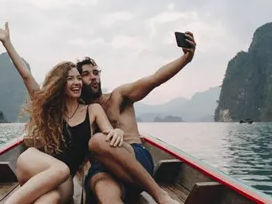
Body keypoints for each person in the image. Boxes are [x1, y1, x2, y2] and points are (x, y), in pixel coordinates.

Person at [0, 22, 181, 204]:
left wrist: (118, 132)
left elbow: (107, 135)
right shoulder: (51, 109)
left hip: (63, 180)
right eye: (71, 79)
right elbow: (26, 76)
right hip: (34, 164)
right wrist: (7, 43)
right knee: (58, 168)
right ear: (61, 84)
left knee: (51, 197)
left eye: (79, 78)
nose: (77, 82)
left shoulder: (93, 110)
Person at [79, 31, 196, 204]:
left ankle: (161, 196)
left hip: (135, 158)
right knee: (102, 189)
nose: (93, 77)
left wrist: (186, 59)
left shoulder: (119, 96)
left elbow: (154, 79)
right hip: (104, 168)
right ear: (78, 80)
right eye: (87, 74)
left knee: (98, 140)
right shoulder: (81, 111)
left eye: (95, 72)